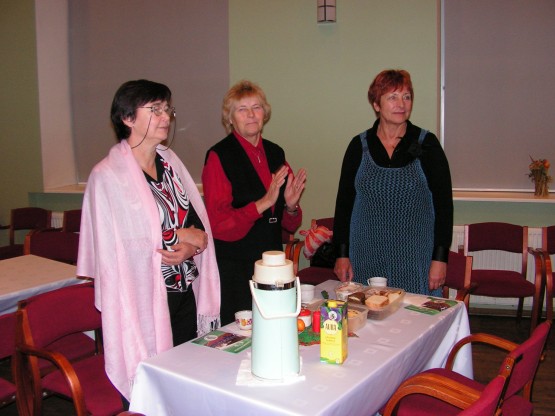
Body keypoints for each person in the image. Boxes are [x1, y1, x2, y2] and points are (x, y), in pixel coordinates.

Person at [77, 79, 220, 401]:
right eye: (155, 109)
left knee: (184, 379)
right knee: (152, 382)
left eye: (167, 109)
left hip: (183, 288)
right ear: (128, 118)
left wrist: (190, 245)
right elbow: (117, 245)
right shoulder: (107, 176)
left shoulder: (170, 164)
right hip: (141, 294)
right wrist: (177, 235)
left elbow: (197, 225)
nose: (166, 117)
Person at [332, 69, 453, 296]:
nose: (401, 104)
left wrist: (440, 258)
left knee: (414, 313)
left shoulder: (427, 144)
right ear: (376, 104)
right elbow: (344, 205)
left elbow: (444, 206)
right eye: (392, 97)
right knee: (369, 311)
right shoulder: (358, 146)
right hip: (366, 255)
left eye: (406, 97)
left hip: (415, 258)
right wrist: (342, 254)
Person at [202, 80, 307, 324]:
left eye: (256, 107)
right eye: (242, 109)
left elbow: (288, 225)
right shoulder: (219, 156)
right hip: (235, 268)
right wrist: (263, 203)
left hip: (272, 263)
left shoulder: (276, 152)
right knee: (240, 335)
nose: (251, 114)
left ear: (264, 114)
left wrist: (290, 206)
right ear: (230, 119)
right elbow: (218, 225)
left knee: (276, 326)